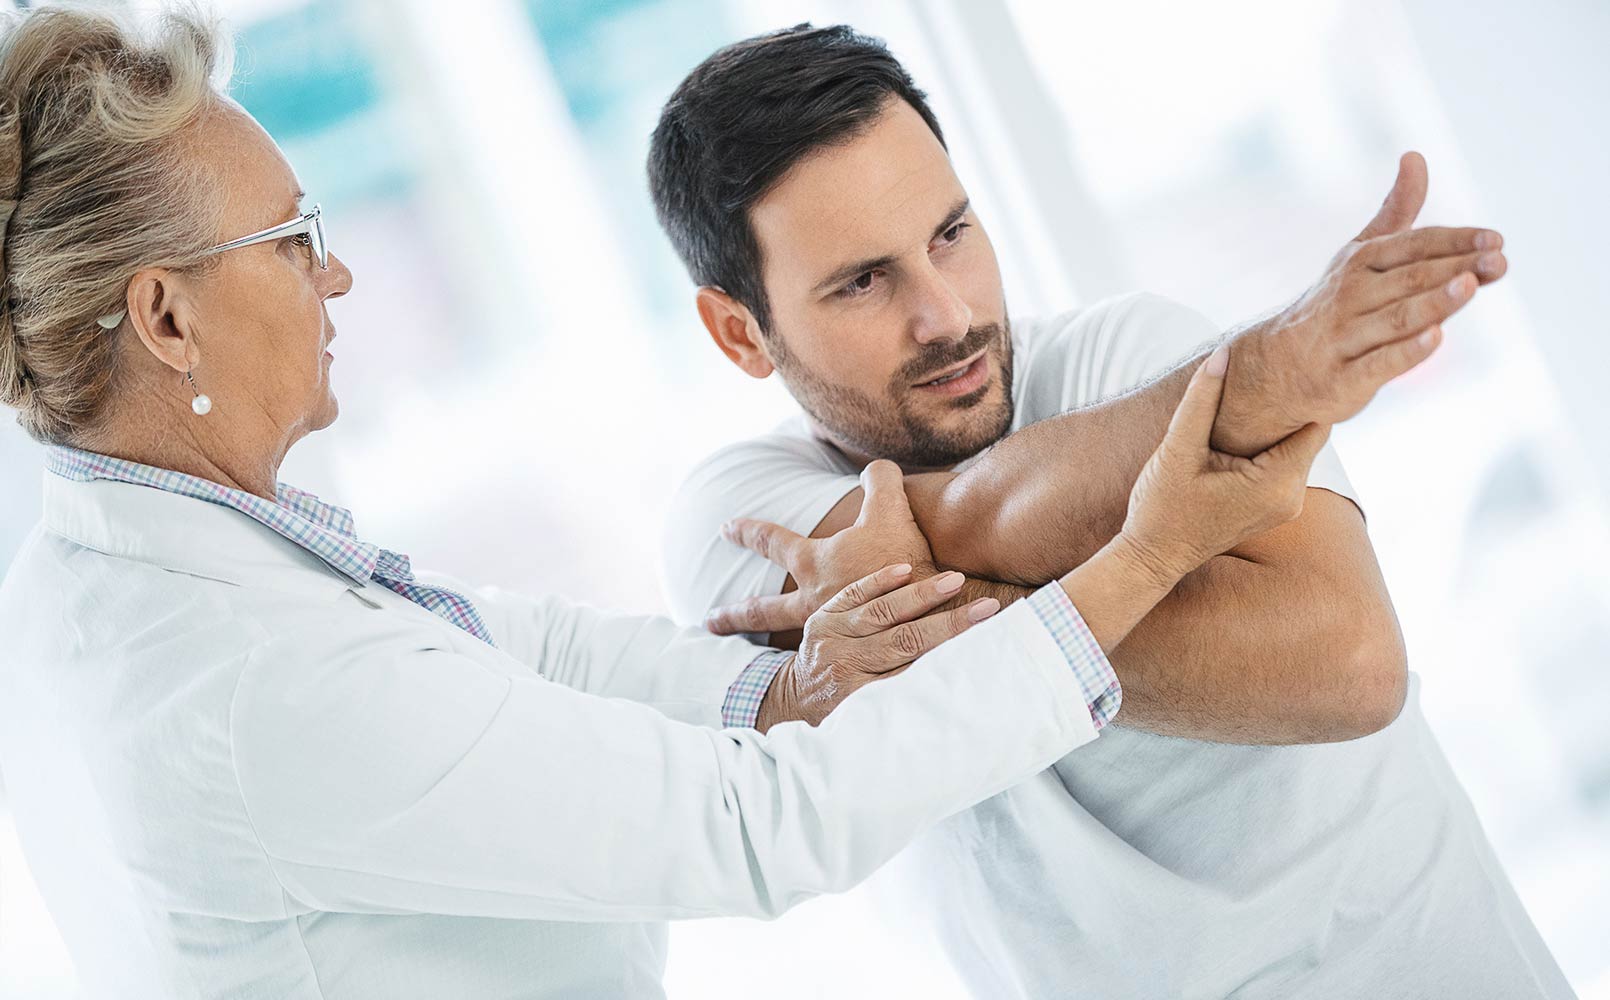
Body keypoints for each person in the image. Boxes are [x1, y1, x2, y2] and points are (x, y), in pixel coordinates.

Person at [0, 7, 1343, 998]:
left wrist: (785, 689)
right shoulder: (235, 682)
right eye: (290, 240)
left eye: (947, 231)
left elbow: (515, 649)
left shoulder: (129, 567)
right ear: (164, 316)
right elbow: (756, 828)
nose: (337, 279)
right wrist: (1141, 553)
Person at [650, 23, 1572, 999]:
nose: (947, 317)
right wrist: (1247, 394)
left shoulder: (1135, 357)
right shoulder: (734, 519)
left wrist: (946, 622)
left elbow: (1348, 668)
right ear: (739, 331)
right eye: (864, 281)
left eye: (950, 235)